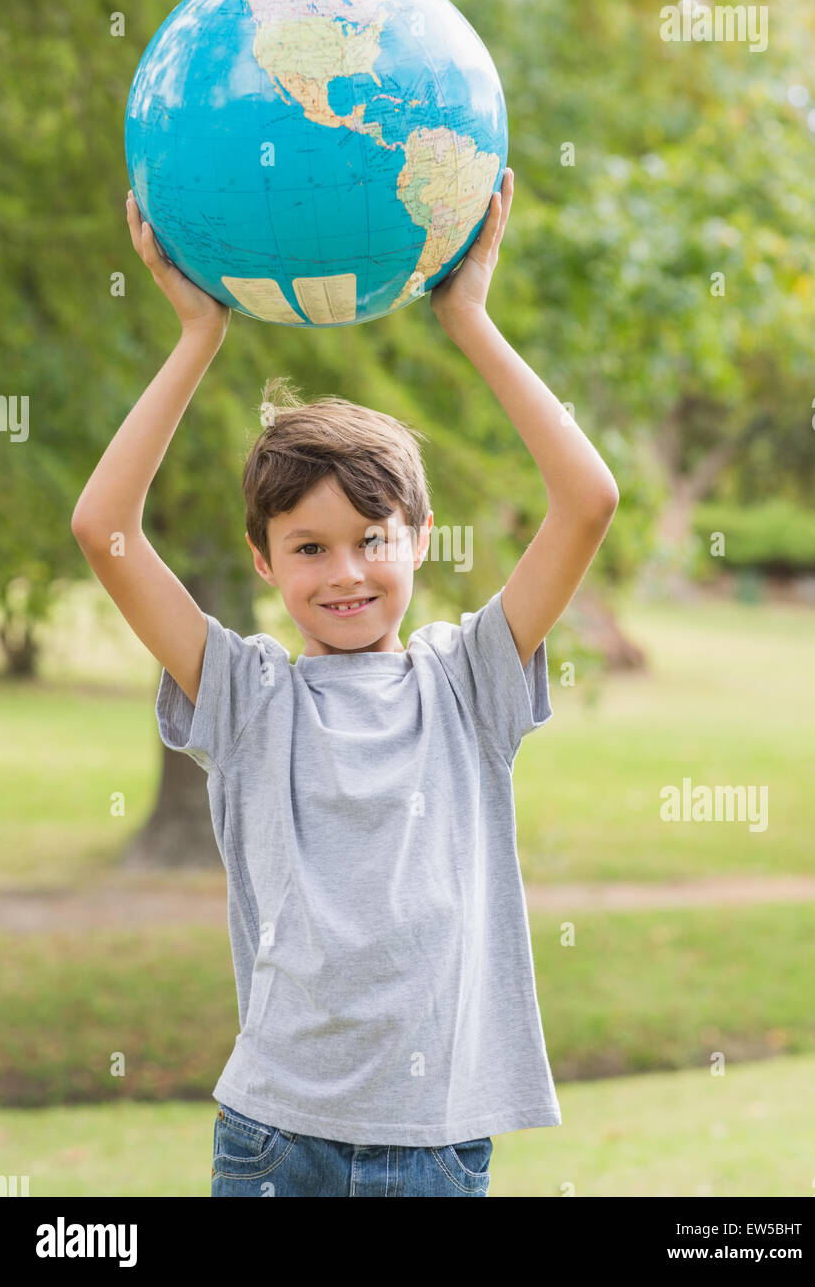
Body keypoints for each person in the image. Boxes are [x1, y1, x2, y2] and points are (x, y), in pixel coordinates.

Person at [72, 169, 619, 1196]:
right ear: (264, 560)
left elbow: (586, 499)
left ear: (417, 537)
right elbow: (103, 530)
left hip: (433, 1138)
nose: (347, 572)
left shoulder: (467, 682)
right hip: (279, 1136)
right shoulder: (247, 696)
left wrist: (467, 316)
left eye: (372, 539)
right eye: (309, 547)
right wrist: (198, 337)